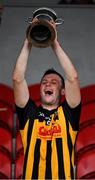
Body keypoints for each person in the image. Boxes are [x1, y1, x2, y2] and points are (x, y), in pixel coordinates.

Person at [12, 20, 81, 180]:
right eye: (44, 82)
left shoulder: (69, 114)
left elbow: (72, 78)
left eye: (54, 82)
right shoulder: (29, 114)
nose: (48, 83)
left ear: (63, 91)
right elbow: (17, 79)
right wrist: (29, 40)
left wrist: (54, 42)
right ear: (41, 89)